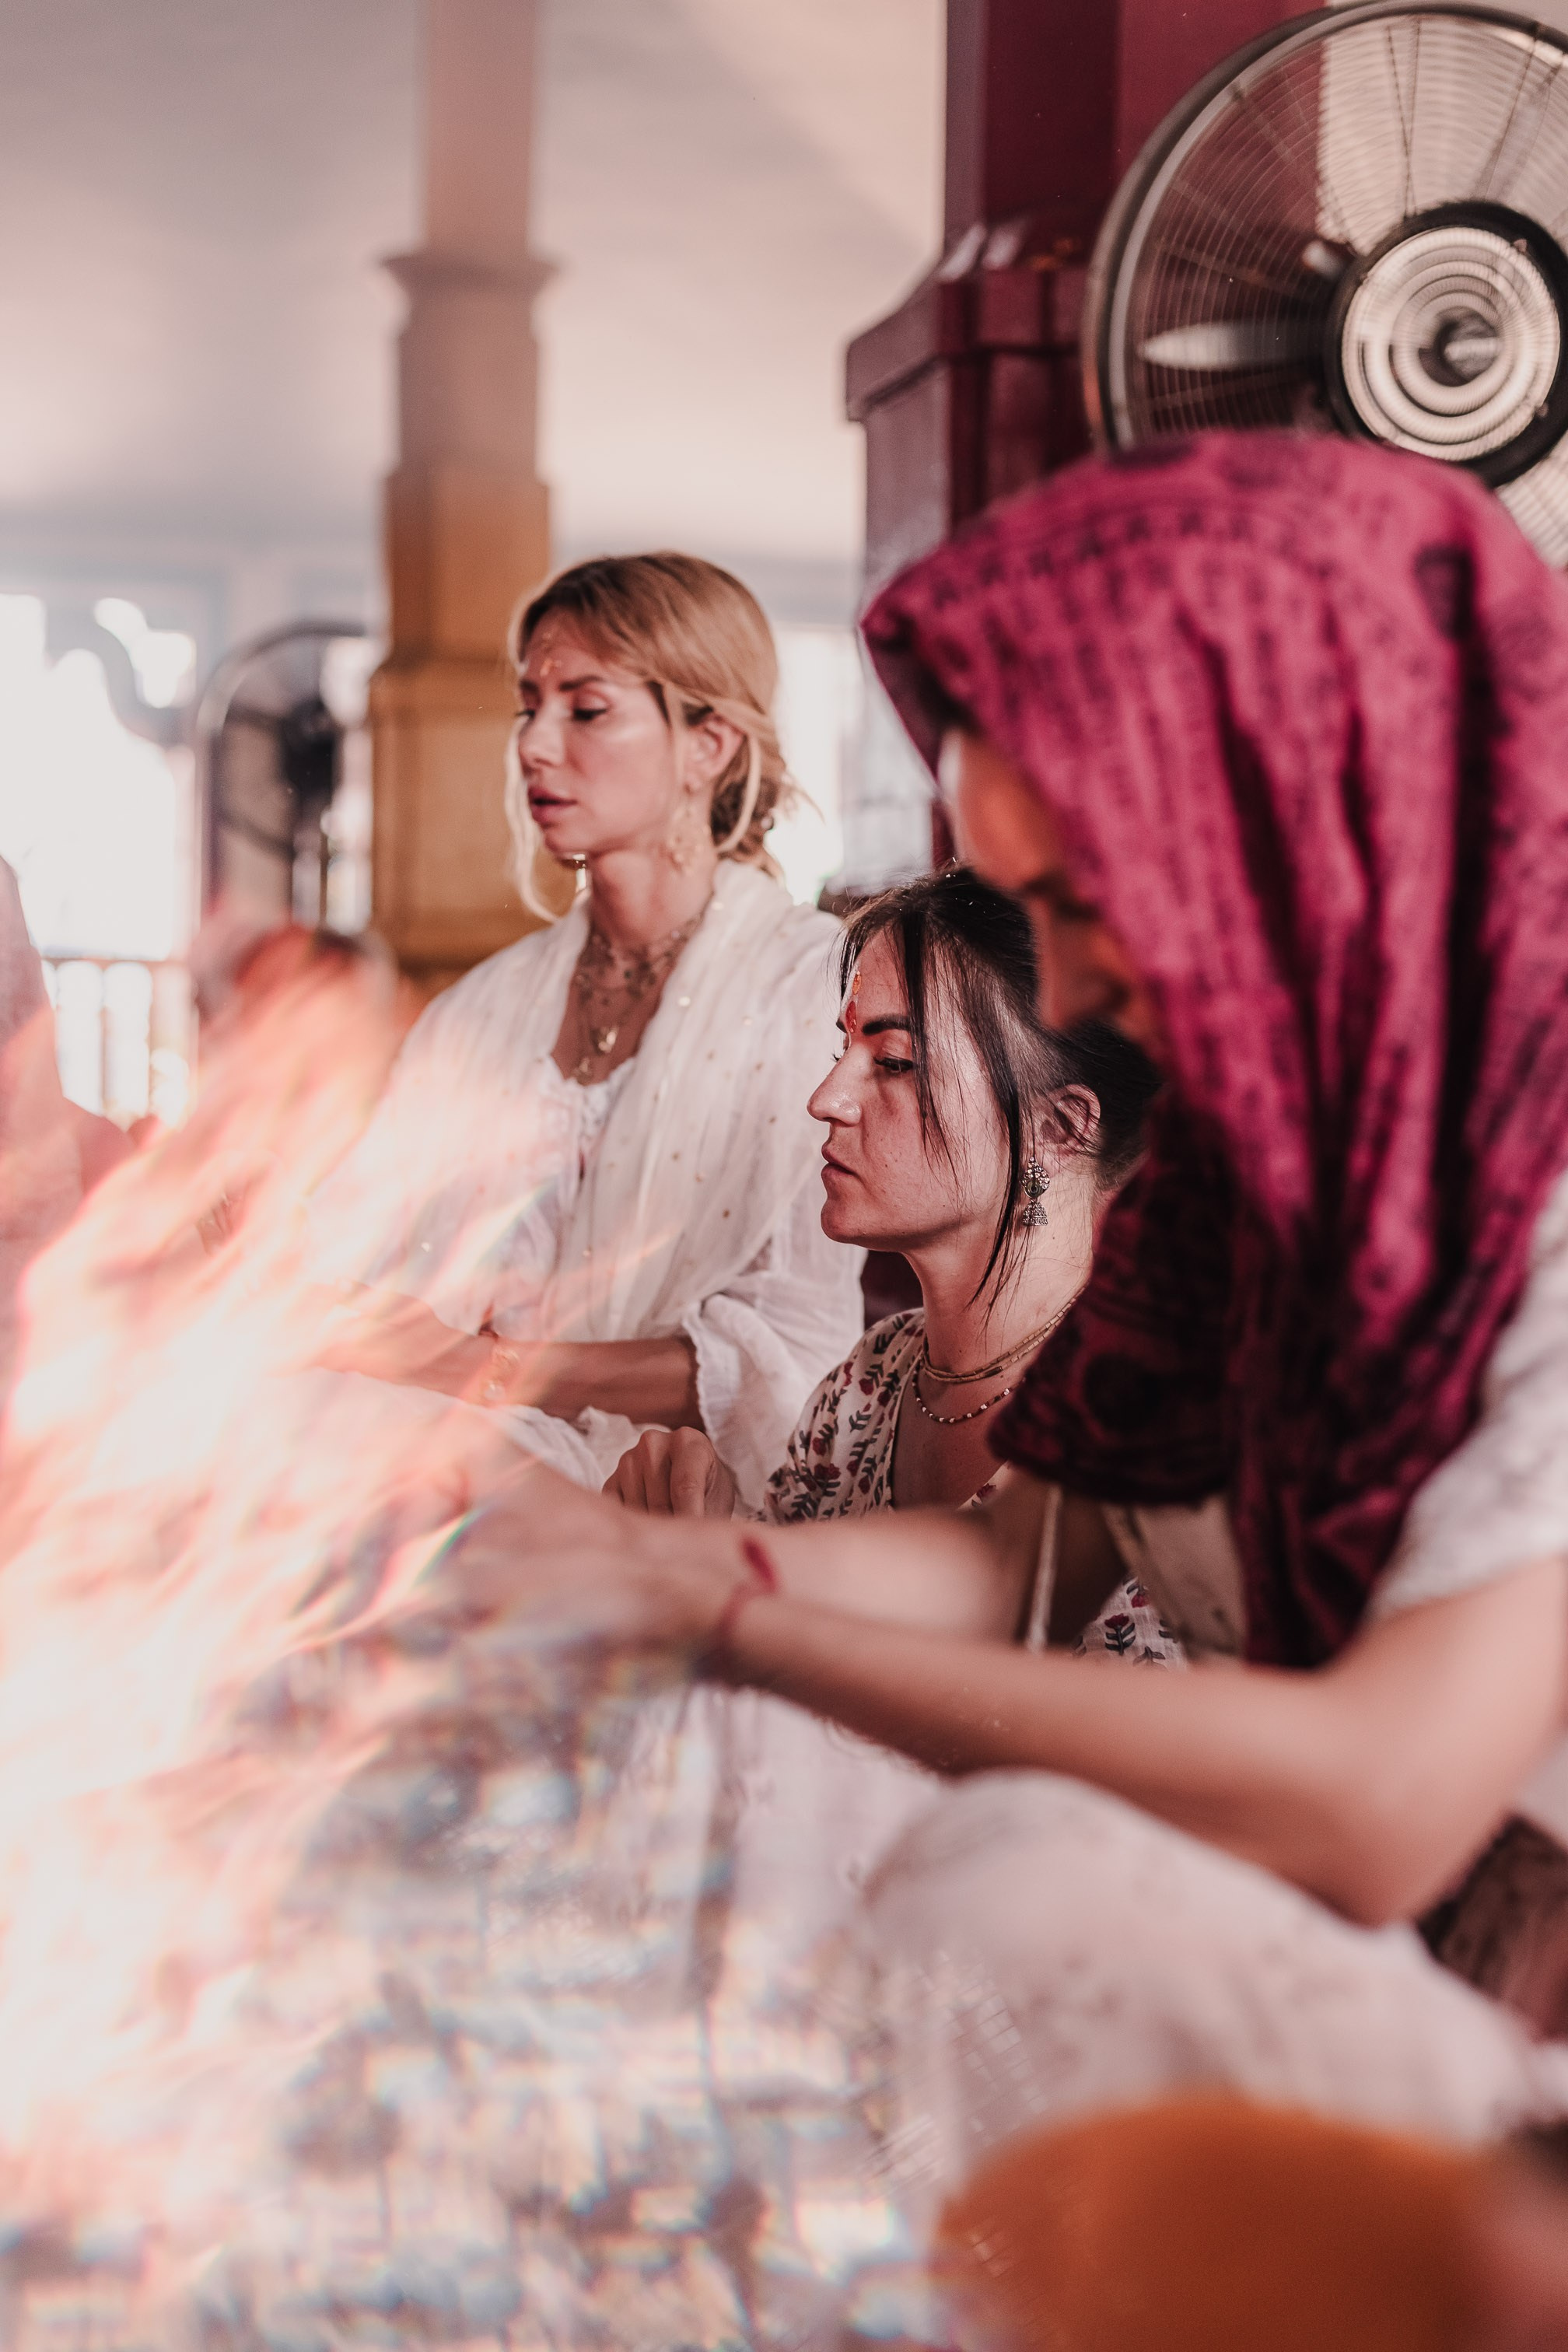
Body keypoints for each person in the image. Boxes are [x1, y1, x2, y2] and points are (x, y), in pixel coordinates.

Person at [432, 436, 1568, 2206]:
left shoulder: (1541, 1169)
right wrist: (617, 1564)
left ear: (1307, 812)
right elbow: (1020, 1558)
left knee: (1005, 1880)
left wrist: (704, 1615)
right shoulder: (1254, 1184)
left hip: (1512, 2031)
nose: (1087, 989)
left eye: (1095, 912)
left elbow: (1381, 1799)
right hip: (1395, 1987)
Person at [306, 554, 863, 1505]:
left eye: (586, 708)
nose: (533, 743)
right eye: (530, 705)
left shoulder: (811, 984)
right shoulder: (481, 1008)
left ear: (710, 744)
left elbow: (794, 1345)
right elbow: (364, 1254)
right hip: (445, 1438)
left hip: (679, 1483)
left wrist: (494, 1368)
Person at [608, 864, 1173, 1665]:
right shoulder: (866, 1387)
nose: (827, 1098)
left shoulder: (1153, 1421)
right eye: (845, 1047)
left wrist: (729, 1591)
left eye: (895, 1062)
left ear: (1058, 1126)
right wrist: (707, 1526)